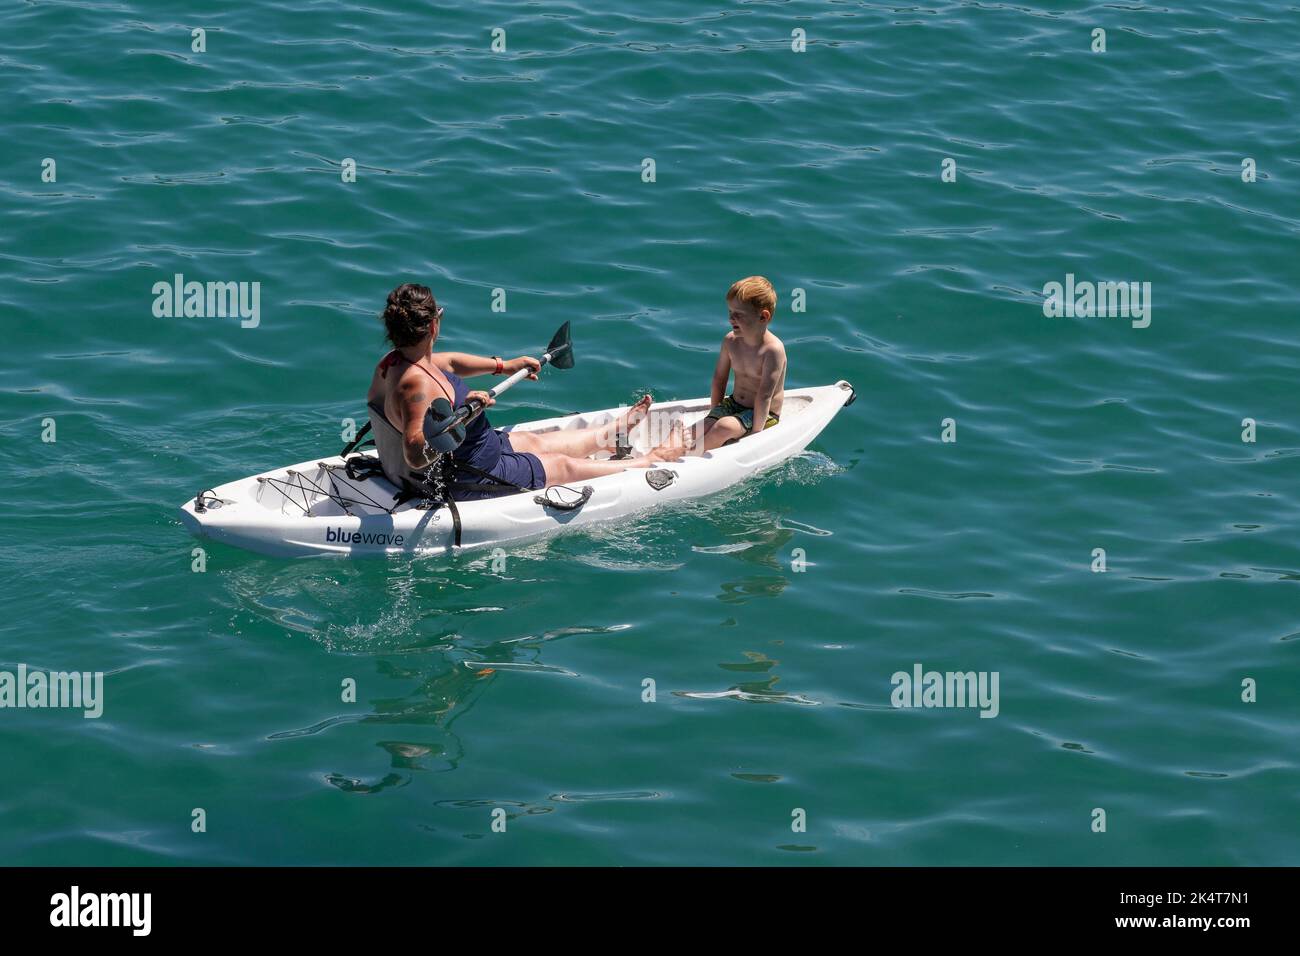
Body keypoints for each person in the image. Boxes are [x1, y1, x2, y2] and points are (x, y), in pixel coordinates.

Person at [367, 283, 680, 500]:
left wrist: (503, 365)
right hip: (470, 475)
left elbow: (449, 361)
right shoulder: (416, 386)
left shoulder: (395, 362)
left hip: (478, 448)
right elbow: (415, 451)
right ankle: (649, 460)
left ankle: (613, 430)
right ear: (435, 325)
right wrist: (460, 419)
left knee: (532, 441)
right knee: (560, 466)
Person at [675, 276, 787, 453]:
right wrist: (714, 414)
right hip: (734, 404)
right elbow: (719, 380)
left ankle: (691, 457)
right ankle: (666, 453)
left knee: (724, 427)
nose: (731, 319)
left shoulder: (772, 351)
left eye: (739, 314)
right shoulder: (730, 341)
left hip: (763, 414)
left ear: (763, 317)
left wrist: (756, 437)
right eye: (730, 312)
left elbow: (764, 396)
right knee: (697, 429)